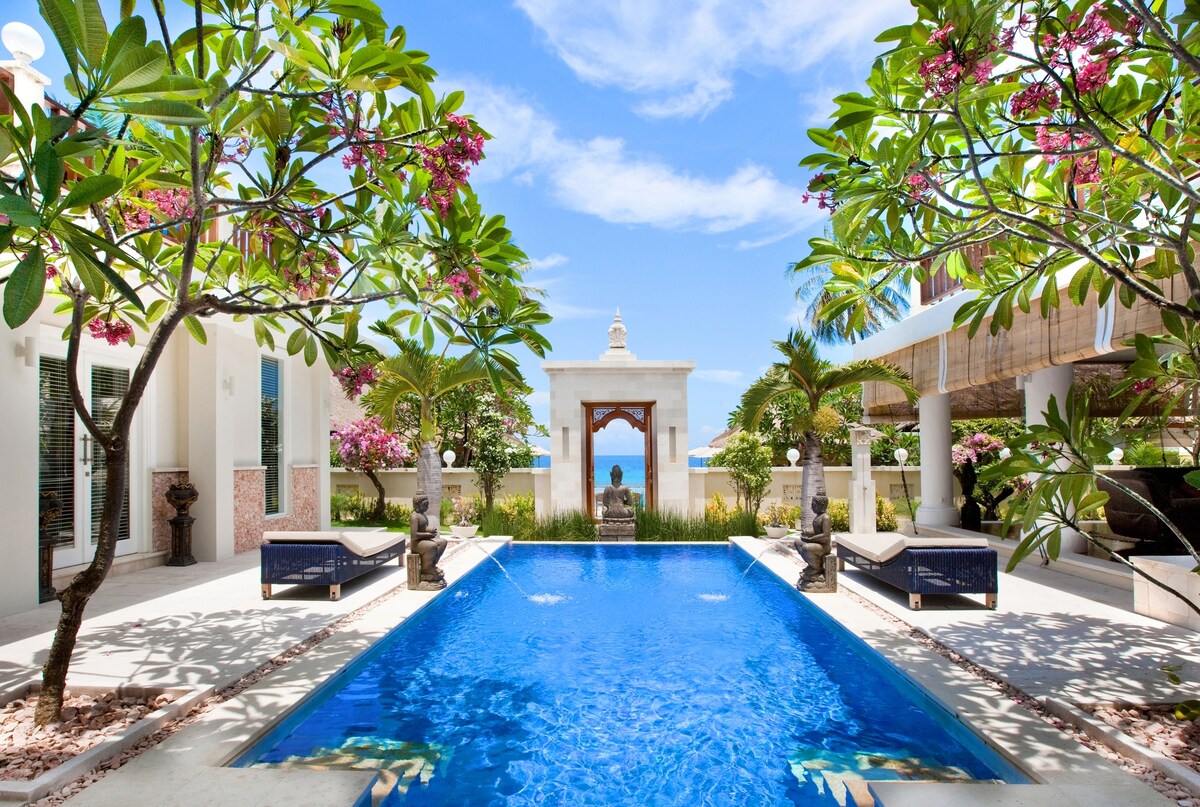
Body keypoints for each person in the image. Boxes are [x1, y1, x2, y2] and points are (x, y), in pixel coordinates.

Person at [410, 494, 448, 589]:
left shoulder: (423, 516)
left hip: (423, 541)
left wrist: (431, 530)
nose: (427, 506)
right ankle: (426, 569)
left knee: (442, 542)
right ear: (418, 504)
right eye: (425, 504)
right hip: (417, 543)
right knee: (431, 546)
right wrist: (428, 535)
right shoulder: (414, 517)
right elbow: (414, 535)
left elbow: (424, 528)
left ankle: (431, 565)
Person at [796, 495, 833, 590]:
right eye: (812, 505)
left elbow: (825, 536)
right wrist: (807, 532)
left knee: (806, 547)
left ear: (822, 505)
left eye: (814, 505)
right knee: (798, 542)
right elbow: (817, 531)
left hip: (823, 546)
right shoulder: (818, 517)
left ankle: (817, 568)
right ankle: (811, 564)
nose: (812, 507)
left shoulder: (825, 518)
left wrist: (811, 539)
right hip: (817, 544)